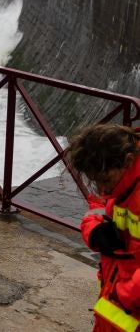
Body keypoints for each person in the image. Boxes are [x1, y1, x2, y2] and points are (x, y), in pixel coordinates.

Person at [66, 123, 140, 332]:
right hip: (116, 297)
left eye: (105, 180)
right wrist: (94, 231)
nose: (101, 189)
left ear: (128, 160)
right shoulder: (118, 180)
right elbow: (97, 206)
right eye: (95, 181)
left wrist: (124, 294)